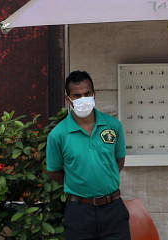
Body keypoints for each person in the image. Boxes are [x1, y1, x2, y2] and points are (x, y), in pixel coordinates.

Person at [46, 70, 130, 240]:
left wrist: (102, 178)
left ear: (94, 94)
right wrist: (80, 183)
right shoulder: (58, 135)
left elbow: (119, 161)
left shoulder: (113, 126)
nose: (83, 99)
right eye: (77, 96)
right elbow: (54, 172)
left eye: (87, 94)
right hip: (79, 212)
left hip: (113, 209)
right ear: (67, 99)